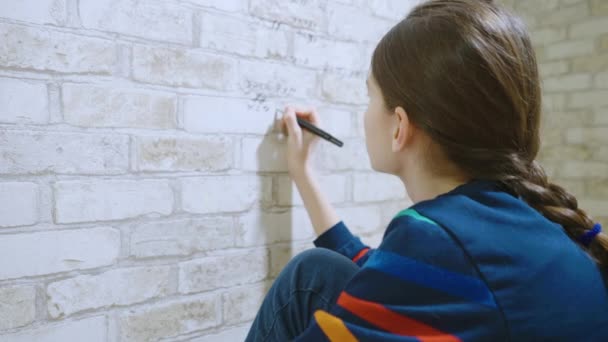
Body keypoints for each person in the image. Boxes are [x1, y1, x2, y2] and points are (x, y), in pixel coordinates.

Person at [245, 0, 608, 340]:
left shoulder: (439, 240)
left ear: (399, 126)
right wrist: (303, 172)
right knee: (316, 271)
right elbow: (382, 271)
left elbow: (402, 273)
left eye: (370, 96)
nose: (367, 112)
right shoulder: (514, 223)